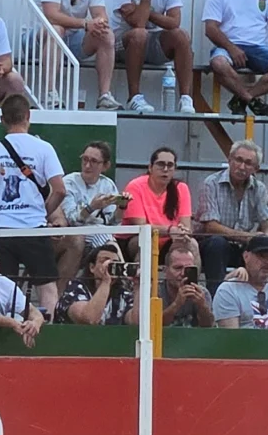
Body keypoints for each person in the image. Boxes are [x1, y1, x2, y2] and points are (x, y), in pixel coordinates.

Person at [0, 93, 66, 316]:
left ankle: (3, 334)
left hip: (0, 230)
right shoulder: (44, 148)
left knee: (2, 288)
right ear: (28, 116)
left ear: (2, 120)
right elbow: (60, 190)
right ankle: (50, 334)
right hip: (33, 228)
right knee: (47, 287)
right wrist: (42, 212)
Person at [40, 0, 119, 110]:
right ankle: (49, 93)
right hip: (40, 40)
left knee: (107, 34)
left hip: (75, 41)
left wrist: (99, 23)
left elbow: (100, 14)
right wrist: (85, 23)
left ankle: (104, 95)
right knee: (56, 29)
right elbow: (51, 15)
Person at [115, 0, 194, 112]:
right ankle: (134, 97)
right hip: (121, 45)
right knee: (139, 34)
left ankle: (186, 98)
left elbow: (174, 22)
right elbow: (138, 23)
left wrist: (144, 10)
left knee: (181, 36)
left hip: (150, 45)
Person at [57, 140, 128, 281]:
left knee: (102, 234)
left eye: (94, 161)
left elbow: (112, 223)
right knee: (102, 235)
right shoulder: (69, 182)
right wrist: (92, 207)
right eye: (85, 159)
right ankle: (123, 276)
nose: (87, 165)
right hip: (71, 234)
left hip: (99, 236)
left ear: (105, 166)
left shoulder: (107, 184)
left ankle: (115, 276)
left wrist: (122, 207)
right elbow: (71, 220)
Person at [197, 139, 268, 276]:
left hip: (244, 247)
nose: (242, 167)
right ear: (230, 160)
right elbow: (211, 227)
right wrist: (248, 237)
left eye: (248, 163)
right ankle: (216, 293)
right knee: (217, 243)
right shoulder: (211, 183)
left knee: (264, 247)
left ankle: (257, 294)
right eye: (238, 160)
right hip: (214, 245)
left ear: (256, 169)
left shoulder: (260, 188)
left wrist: (263, 237)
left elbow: (266, 223)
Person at [62, 240, 137, 326]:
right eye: (104, 261)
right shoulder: (76, 287)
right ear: (92, 267)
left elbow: (136, 321)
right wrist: (105, 282)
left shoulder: (123, 294)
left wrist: (138, 287)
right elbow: (89, 319)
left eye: (115, 263)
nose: (110, 266)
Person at [123, 145, 194, 233]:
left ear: (175, 169)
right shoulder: (135, 186)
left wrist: (182, 233)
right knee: (147, 243)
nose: (165, 169)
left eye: (170, 165)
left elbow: (186, 226)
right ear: (150, 167)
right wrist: (169, 230)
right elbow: (141, 226)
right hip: (140, 237)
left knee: (190, 244)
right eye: (161, 164)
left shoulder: (181, 188)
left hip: (172, 237)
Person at [158, 237, 217, 328]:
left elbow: (209, 327)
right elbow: (153, 325)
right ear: (165, 271)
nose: (182, 273)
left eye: (188, 269)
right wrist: (177, 304)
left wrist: (202, 306)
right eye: (178, 268)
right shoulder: (156, 292)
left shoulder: (201, 293)